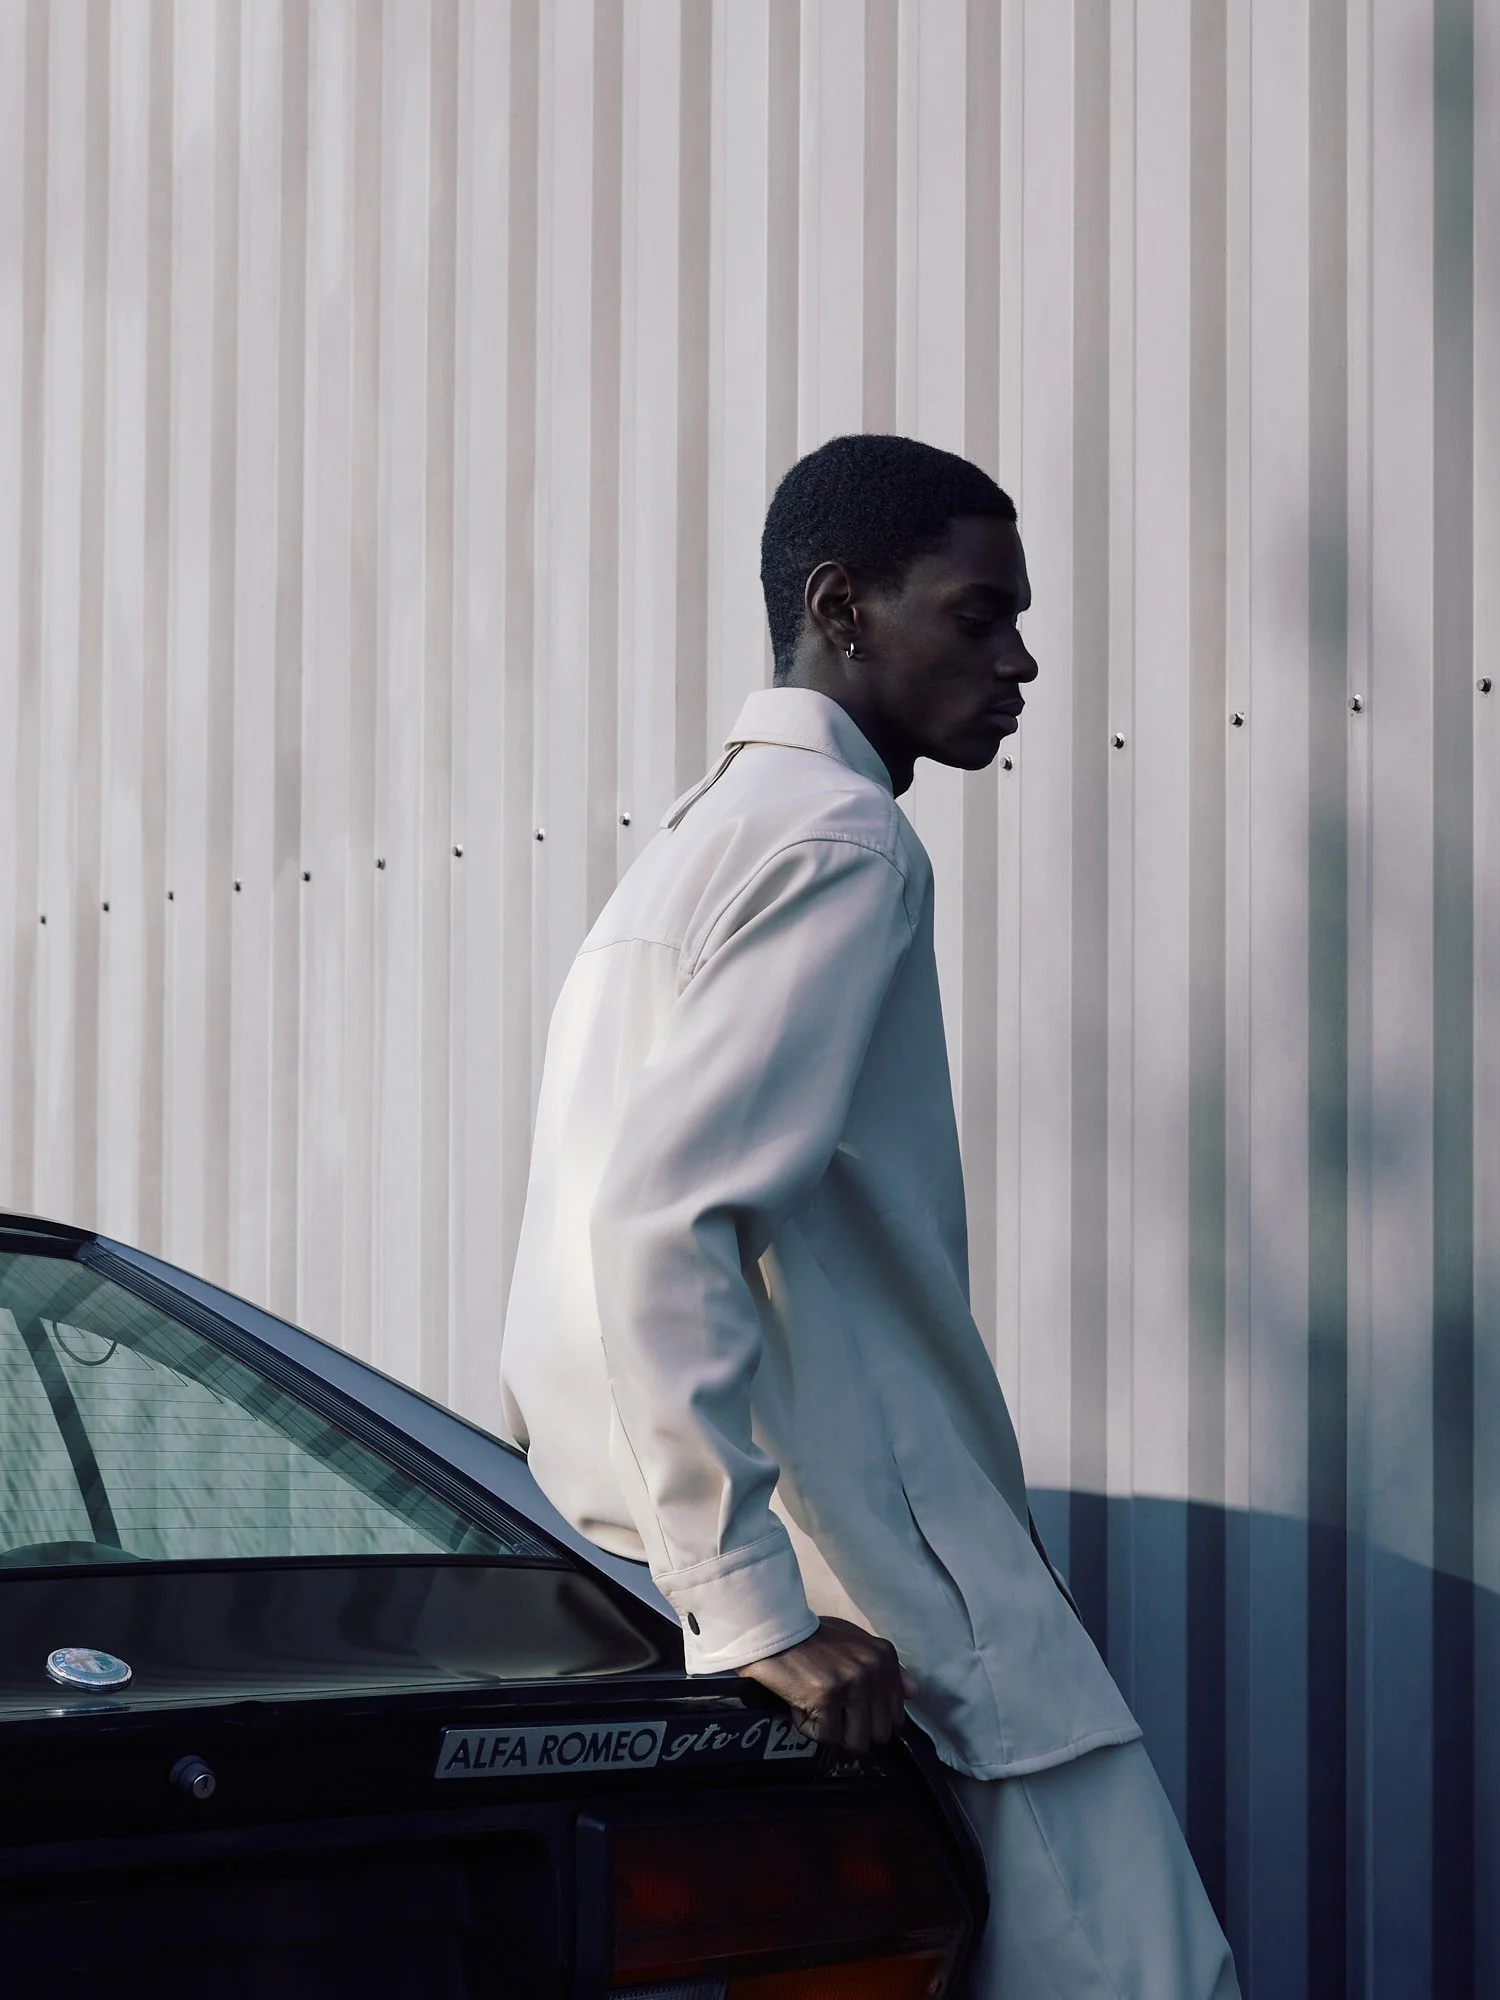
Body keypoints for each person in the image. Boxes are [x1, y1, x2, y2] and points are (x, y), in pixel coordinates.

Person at [500, 433, 1240, 1999]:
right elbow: (661, 1218)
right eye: (978, 616)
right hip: (891, 1603)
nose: (1021, 661)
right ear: (841, 607)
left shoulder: (691, 850)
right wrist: (751, 1604)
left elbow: (590, 1254)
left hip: (712, 1578)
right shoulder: (841, 840)